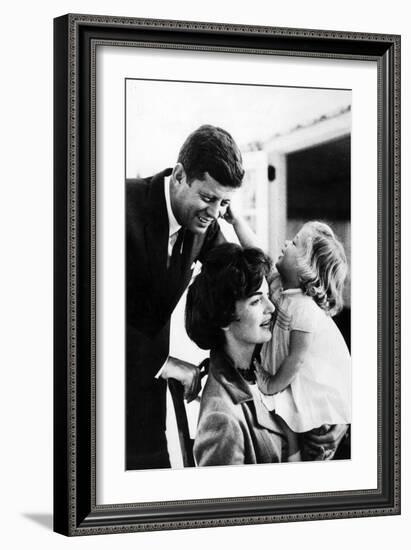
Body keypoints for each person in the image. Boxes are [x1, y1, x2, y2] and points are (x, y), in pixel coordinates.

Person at [126, 124, 244, 470]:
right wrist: (164, 362)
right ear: (179, 175)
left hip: (146, 404)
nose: (214, 212)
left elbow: (239, 276)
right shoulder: (114, 206)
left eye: (224, 202)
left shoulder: (205, 227)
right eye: (208, 198)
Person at [231, 218, 351, 460]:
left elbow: (296, 359)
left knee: (304, 426)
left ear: (305, 267)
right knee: (283, 414)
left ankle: (301, 462)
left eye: (294, 242)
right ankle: (293, 458)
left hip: (306, 382)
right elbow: (256, 249)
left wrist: (272, 383)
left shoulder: (305, 309)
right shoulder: (279, 287)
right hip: (287, 377)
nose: (286, 242)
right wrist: (235, 221)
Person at [186, 243, 302, 465]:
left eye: (267, 296)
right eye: (256, 301)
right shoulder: (221, 419)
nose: (271, 308)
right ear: (224, 316)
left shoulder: (267, 361)